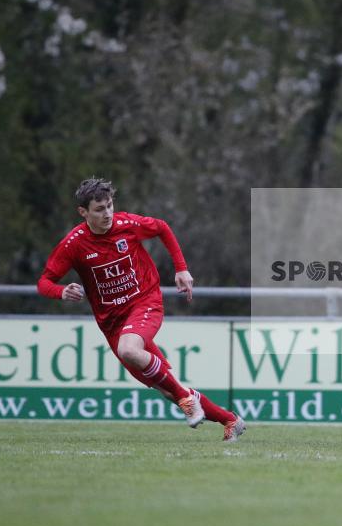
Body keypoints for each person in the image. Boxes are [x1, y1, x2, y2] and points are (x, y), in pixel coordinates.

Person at [37, 178, 246, 442]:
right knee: (168, 389)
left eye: (110, 206)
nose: (107, 213)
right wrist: (61, 291)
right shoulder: (74, 244)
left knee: (131, 351)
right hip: (112, 324)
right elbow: (44, 282)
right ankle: (231, 420)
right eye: (99, 209)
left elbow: (162, 228)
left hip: (145, 302)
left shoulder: (127, 224)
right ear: (83, 212)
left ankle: (188, 400)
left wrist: (181, 268)